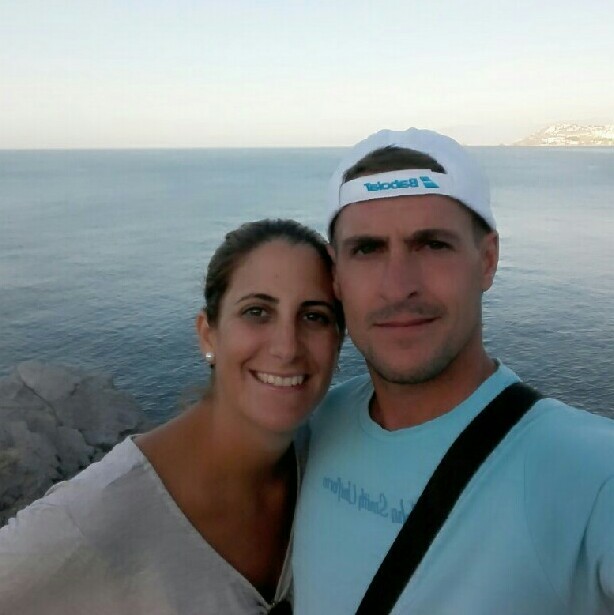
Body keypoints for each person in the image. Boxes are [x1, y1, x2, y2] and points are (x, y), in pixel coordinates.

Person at [293, 128, 614, 614]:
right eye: (367, 249)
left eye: (432, 245)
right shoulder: (316, 423)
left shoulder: (585, 469)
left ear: (487, 261)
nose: (398, 286)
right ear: (336, 276)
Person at [0, 219, 344, 615]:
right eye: (257, 312)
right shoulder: (93, 517)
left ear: (338, 341)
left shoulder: (331, 460)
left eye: (314, 316)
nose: (287, 347)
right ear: (208, 335)